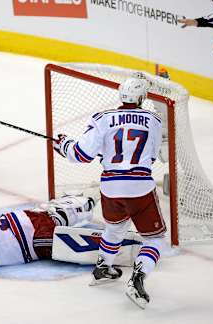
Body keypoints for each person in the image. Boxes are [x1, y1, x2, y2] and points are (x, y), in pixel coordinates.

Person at [52, 77, 167, 309]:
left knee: (115, 228)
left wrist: (63, 144)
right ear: (142, 98)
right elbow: (152, 157)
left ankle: (103, 267)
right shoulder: (154, 120)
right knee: (155, 239)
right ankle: (137, 279)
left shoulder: (102, 118)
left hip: (110, 187)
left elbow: (81, 155)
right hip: (139, 187)